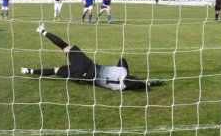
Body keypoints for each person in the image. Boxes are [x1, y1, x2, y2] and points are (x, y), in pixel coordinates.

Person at [20, 22, 164, 91]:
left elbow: (122, 61)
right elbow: (133, 83)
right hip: (86, 78)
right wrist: (147, 84)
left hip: (89, 66)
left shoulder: (123, 72)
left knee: (65, 47)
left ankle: (42, 30)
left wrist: (146, 83)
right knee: (56, 70)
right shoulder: (121, 88)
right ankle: (29, 71)